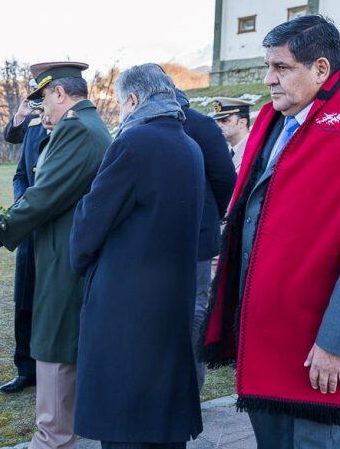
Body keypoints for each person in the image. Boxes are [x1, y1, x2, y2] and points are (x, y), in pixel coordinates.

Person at [201, 15, 340, 449]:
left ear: (321, 70)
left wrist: (337, 344)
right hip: (264, 335)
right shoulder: (274, 125)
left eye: (282, 68)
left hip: (317, 345)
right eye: (268, 67)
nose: (269, 80)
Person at [71, 64, 204, 448]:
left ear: (132, 100)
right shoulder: (189, 144)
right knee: (162, 419)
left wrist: (80, 260)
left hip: (126, 304)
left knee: (125, 423)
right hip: (172, 297)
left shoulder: (133, 143)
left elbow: (92, 219)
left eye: (120, 103)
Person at [0, 61, 111, 449]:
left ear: (59, 93)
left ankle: (52, 436)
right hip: (68, 248)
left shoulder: (75, 129)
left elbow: (43, 195)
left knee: (54, 340)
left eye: (44, 101)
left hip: (63, 253)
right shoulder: (89, 126)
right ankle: (64, 429)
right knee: (66, 339)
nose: (42, 110)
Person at [173, 88, 236, 392]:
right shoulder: (142, 123)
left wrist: (213, 214)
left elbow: (225, 178)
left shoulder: (200, 125)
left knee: (196, 309)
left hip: (197, 236)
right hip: (175, 239)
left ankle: (191, 386)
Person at [0, 97, 49, 394]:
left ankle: (50, 369)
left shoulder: (71, 133)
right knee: (25, 300)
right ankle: (25, 369)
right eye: (38, 109)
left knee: (51, 302)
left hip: (54, 230)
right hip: (29, 230)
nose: (42, 115)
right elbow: (20, 174)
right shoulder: (32, 130)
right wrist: (21, 203)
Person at [209, 97, 254, 172]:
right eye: (217, 121)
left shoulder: (254, 149)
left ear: (242, 123)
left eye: (225, 120)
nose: (218, 125)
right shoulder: (225, 152)